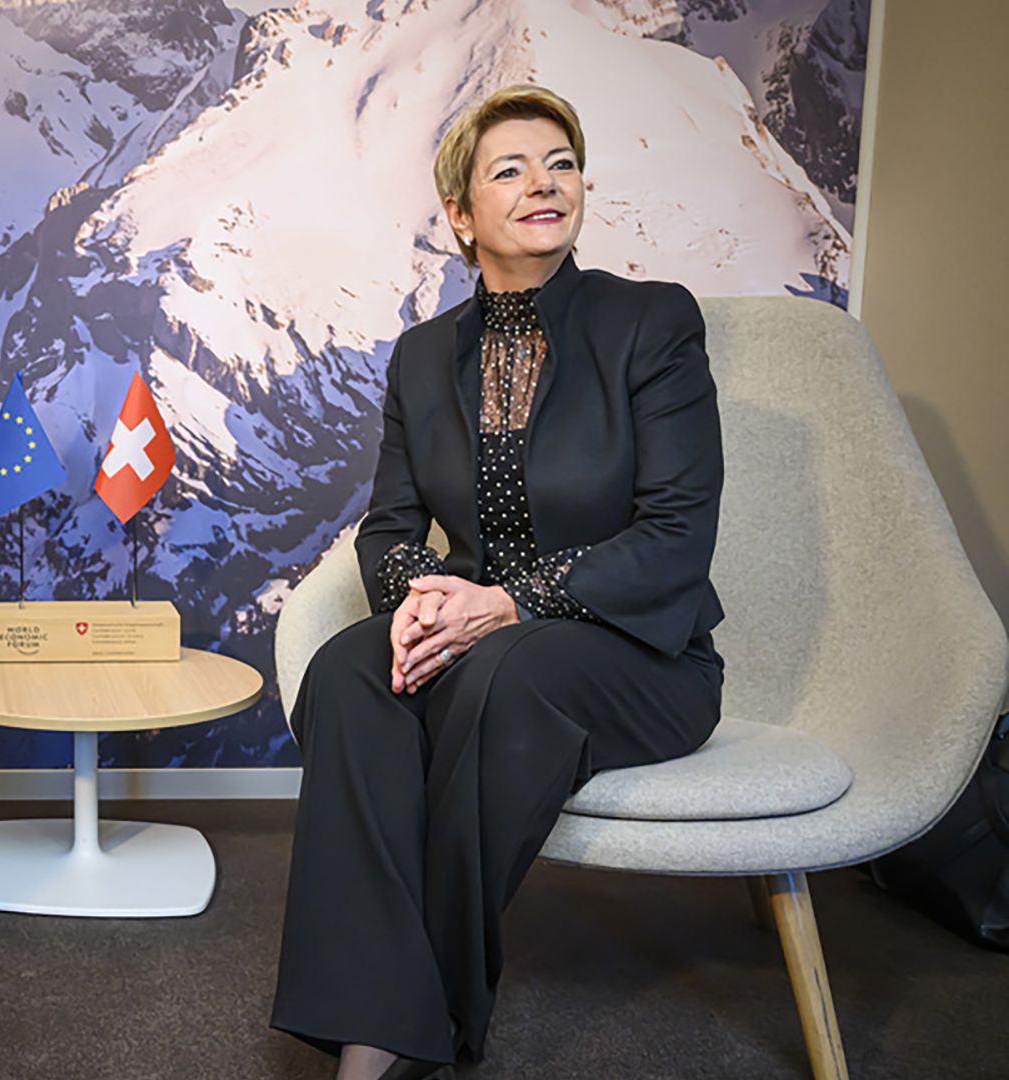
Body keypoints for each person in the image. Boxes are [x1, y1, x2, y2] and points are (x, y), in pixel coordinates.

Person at [270, 85, 726, 1080]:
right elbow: (392, 527)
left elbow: (677, 539)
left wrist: (508, 602)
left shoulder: (651, 323)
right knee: (348, 675)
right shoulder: (424, 356)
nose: (544, 184)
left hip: (639, 655)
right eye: (511, 169)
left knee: (502, 674)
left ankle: (407, 1026)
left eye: (560, 162)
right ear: (463, 216)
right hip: (483, 636)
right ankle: (372, 1027)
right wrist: (419, 604)